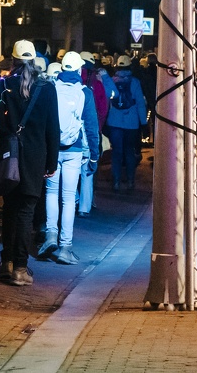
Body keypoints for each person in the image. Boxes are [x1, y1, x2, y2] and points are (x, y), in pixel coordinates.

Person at [0, 40, 59, 287]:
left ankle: (6, 263)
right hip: (35, 157)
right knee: (26, 211)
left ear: (13, 60)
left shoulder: (3, 86)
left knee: (9, 209)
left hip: (9, 155)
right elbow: (53, 129)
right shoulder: (47, 88)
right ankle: (20, 267)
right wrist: (52, 162)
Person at [38, 52, 99, 265]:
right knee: (68, 197)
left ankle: (50, 235)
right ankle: (65, 247)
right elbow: (92, 127)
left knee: (51, 193)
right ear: (79, 70)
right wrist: (93, 156)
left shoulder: (51, 88)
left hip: (52, 150)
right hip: (74, 151)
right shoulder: (85, 93)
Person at [106, 55, 148, 192]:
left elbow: (108, 101)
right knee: (129, 152)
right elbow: (141, 104)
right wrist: (144, 123)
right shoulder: (135, 82)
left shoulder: (112, 81)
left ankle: (116, 182)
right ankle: (130, 182)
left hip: (114, 122)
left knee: (116, 153)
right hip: (131, 123)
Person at [77, 51, 109, 218]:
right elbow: (103, 109)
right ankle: (85, 206)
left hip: (71, 131)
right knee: (88, 170)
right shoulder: (96, 84)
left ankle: (71, 200)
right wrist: (99, 128)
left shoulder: (70, 80)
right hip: (91, 129)